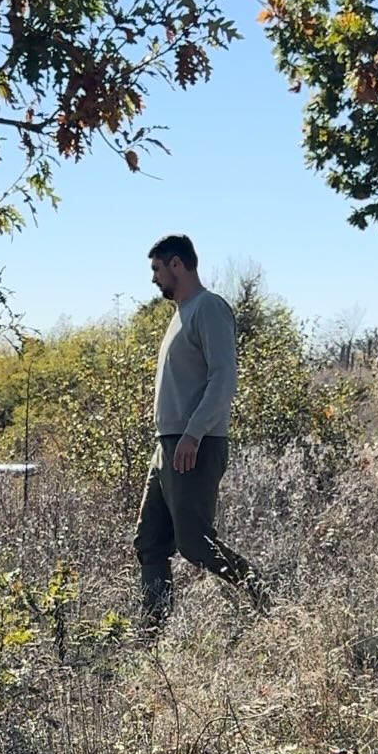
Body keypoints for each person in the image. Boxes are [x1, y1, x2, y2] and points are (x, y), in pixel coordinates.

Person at [135, 234, 251, 625]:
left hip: (195, 445)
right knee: (150, 542)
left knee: (195, 545)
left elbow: (224, 378)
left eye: (156, 269)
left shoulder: (210, 308)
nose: (154, 279)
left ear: (177, 265)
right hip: (167, 446)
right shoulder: (180, 313)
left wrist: (193, 434)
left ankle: (266, 600)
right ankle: (154, 633)